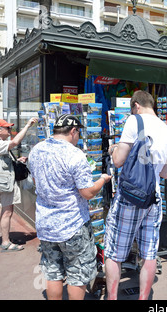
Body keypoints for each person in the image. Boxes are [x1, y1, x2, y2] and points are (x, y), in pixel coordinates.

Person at [28, 114, 111, 300]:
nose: (79, 137)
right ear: (73, 131)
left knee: (53, 272)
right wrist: (102, 180)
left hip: (46, 224)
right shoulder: (75, 154)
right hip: (72, 225)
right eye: (78, 133)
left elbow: (36, 182)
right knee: (77, 275)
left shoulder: (36, 150)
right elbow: (88, 192)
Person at [104, 91, 167, 300]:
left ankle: (112, 298)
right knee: (149, 253)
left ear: (136, 105)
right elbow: (165, 173)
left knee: (114, 251)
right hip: (154, 198)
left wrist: (112, 149)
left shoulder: (134, 121)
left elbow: (118, 161)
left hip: (130, 197)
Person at [0, 117, 38, 252]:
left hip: (3, 182)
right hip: (3, 184)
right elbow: (15, 142)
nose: (10, 130)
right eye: (7, 128)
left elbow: (1, 161)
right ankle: (6, 242)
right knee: (7, 212)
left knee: (7, 211)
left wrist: (17, 160)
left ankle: (6, 238)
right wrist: (27, 126)